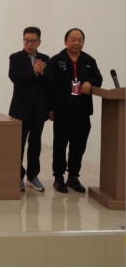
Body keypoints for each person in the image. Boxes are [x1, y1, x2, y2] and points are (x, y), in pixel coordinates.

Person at [48, 28, 102, 194]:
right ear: (66, 41)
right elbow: (49, 86)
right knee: (60, 145)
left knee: (78, 145)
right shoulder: (56, 60)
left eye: (80, 40)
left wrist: (89, 82)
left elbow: (98, 79)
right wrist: (50, 109)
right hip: (62, 110)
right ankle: (58, 177)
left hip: (82, 111)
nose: (76, 43)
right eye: (73, 39)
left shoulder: (89, 60)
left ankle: (73, 177)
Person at [8, 26, 53, 193]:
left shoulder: (45, 59)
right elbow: (15, 77)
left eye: (32, 41)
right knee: (18, 145)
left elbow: (52, 82)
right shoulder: (16, 58)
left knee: (35, 145)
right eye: (26, 40)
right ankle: (18, 176)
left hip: (39, 110)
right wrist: (33, 71)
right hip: (20, 110)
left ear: (39, 42)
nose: (28, 44)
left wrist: (43, 74)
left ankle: (32, 176)